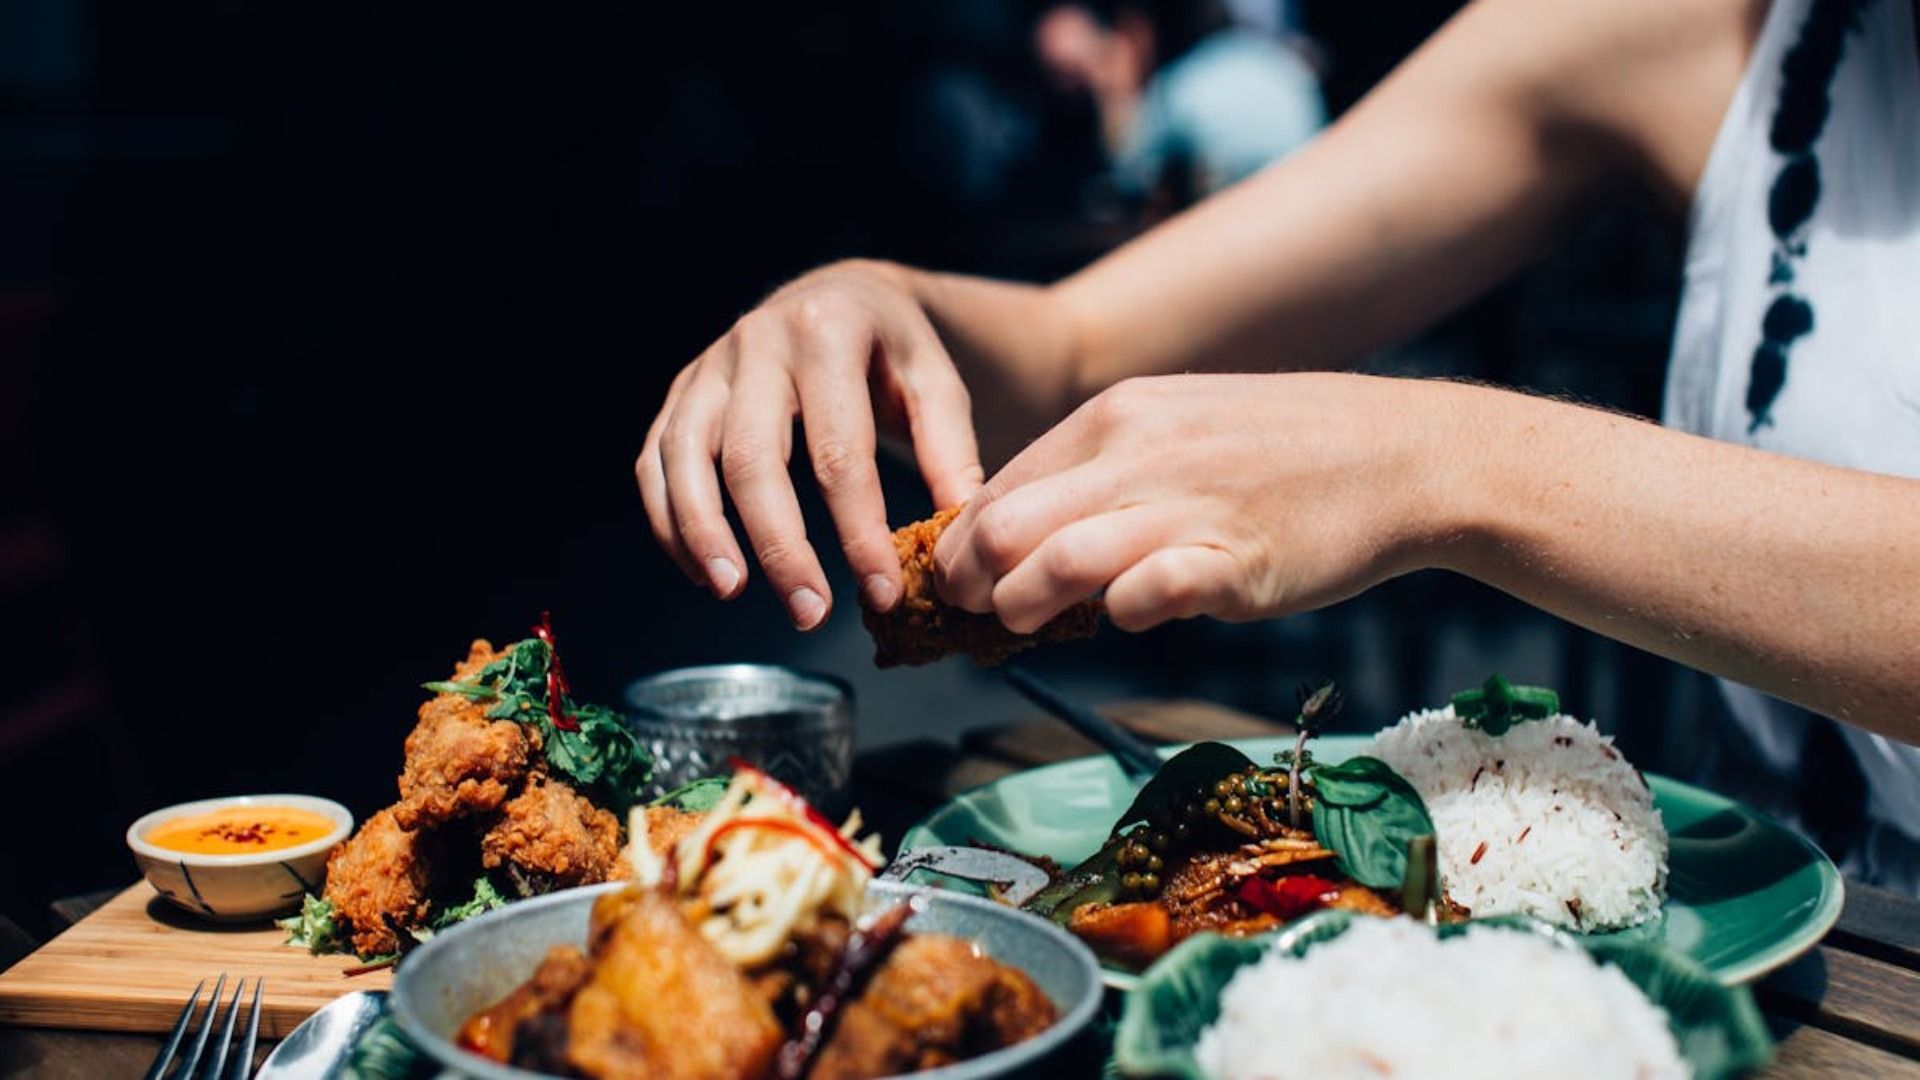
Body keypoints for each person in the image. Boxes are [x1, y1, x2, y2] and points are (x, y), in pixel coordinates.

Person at [635, 0, 1920, 890]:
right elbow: (1086, 346)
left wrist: (1445, 462)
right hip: (1787, 920)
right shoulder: (1691, 26)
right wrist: (880, 305)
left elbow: (1428, 456)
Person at [1033, 0, 1324, 199]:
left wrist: (1117, 94)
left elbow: (1131, 173)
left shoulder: (1177, 92)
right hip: (1313, 212)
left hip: (1254, 234)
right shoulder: (1277, 64)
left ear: (1133, 32)